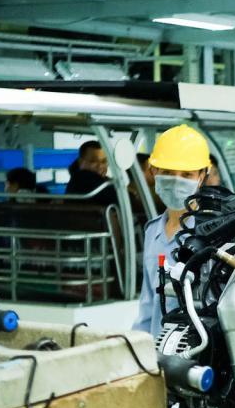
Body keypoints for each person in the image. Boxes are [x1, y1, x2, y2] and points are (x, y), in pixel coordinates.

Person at [132, 124, 211, 338]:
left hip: (200, 352)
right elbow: (148, 304)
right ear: (153, 171)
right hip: (159, 350)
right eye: (167, 173)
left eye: (186, 174)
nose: (176, 181)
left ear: (202, 177)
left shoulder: (211, 234)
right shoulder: (152, 231)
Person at [66, 139, 114, 203]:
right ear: (80, 161)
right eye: (93, 161)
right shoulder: (83, 179)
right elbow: (122, 198)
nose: (100, 166)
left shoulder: (77, 177)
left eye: (104, 161)